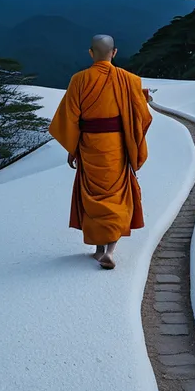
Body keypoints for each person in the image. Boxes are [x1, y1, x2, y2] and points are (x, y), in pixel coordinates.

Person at [49, 35, 153, 270]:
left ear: (90, 53)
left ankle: (98, 251)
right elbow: (140, 113)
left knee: (93, 195)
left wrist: (73, 148)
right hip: (117, 144)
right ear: (114, 52)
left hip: (89, 145)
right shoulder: (129, 80)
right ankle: (110, 250)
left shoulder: (79, 80)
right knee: (116, 195)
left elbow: (70, 118)